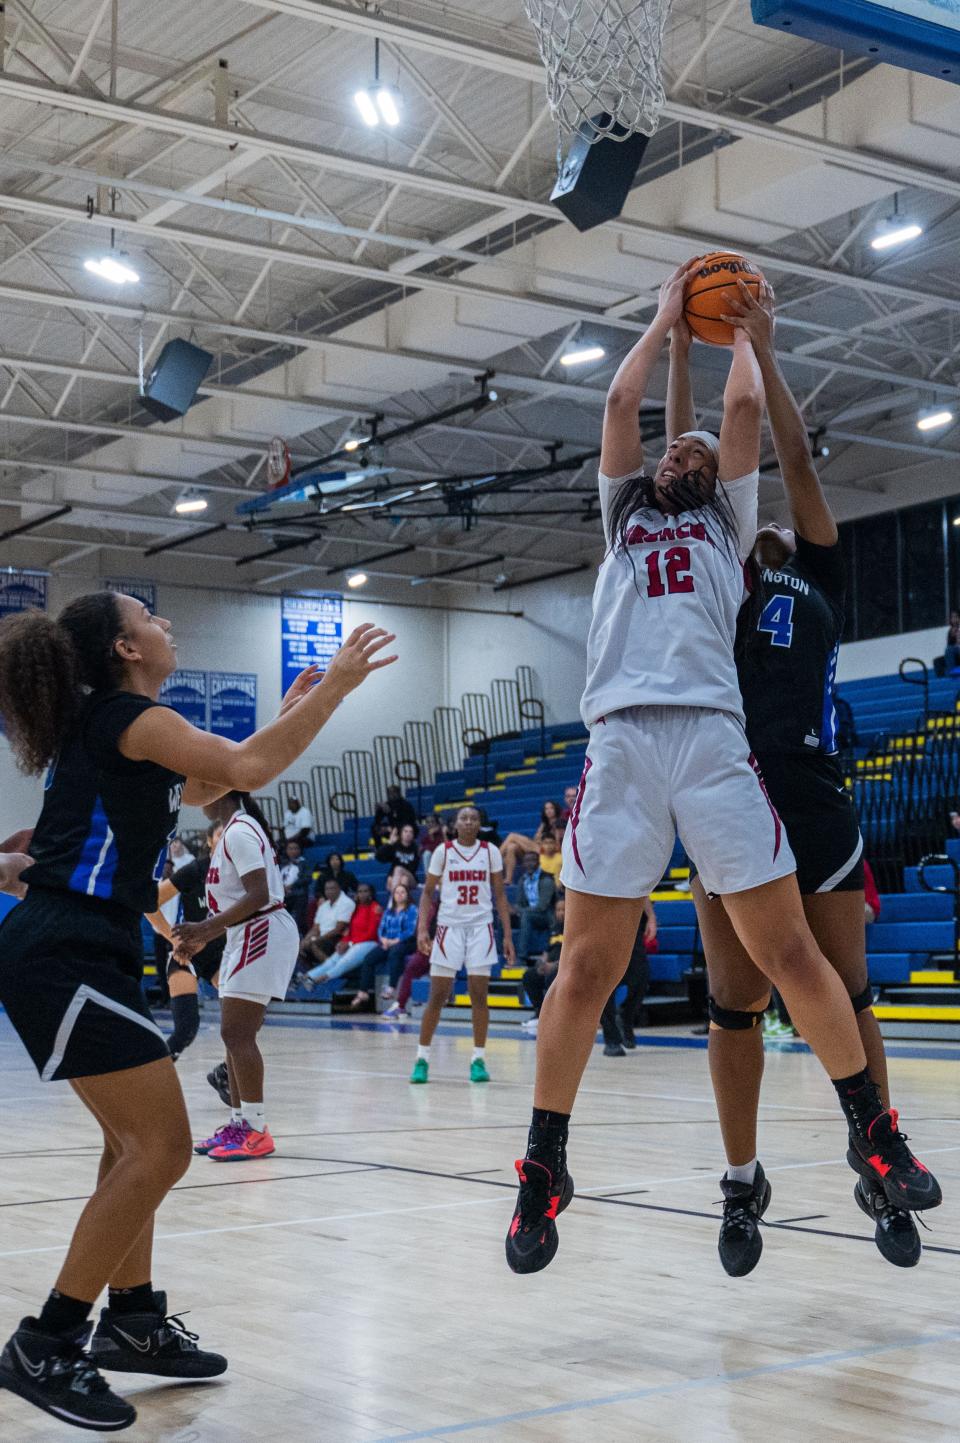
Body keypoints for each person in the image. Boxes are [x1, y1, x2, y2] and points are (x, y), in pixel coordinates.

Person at [504, 259, 940, 1278]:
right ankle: (543, 1164)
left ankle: (872, 1131)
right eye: (676, 448)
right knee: (585, 968)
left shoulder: (730, 528)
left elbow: (744, 411)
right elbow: (630, 402)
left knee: (801, 963)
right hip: (620, 739)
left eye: (699, 450)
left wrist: (746, 328)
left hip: (714, 741)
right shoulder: (626, 514)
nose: (688, 450)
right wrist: (667, 315)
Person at [0, 593, 394, 1429]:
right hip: (65, 949)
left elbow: (218, 778)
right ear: (125, 646)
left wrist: (295, 714)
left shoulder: (121, 725)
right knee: (165, 1146)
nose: (166, 624)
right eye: (151, 616)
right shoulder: (130, 717)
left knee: (129, 1146)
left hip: (87, 945)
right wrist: (336, 692)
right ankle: (47, 1341)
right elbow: (244, 772)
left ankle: (134, 1321)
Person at [675, 275, 932, 1273]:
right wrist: (698, 354)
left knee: (850, 995)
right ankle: (742, 1180)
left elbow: (786, 454)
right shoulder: (714, 556)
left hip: (816, 798)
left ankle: (875, 1152)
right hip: (728, 793)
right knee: (734, 1002)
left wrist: (763, 348)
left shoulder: (814, 571)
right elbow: (706, 454)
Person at [175, 793, 299, 1162]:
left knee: (236, 1033)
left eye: (198, 785)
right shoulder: (232, 830)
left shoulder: (240, 831)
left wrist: (204, 928)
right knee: (233, 1035)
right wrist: (205, 937)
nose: (192, 794)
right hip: (242, 933)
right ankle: (240, 1124)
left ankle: (257, 1129)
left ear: (220, 788)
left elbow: (258, 894)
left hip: (261, 930)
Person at [410, 805, 516, 1083]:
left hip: (481, 928)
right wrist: (422, 929)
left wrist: (507, 935)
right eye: (464, 818)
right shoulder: (443, 852)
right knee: (437, 995)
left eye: (473, 818)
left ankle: (478, 1060)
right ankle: (422, 1059)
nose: (468, 822)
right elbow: (427, 894)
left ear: (479, 824)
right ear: (455, 824)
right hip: (449, 928)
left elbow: (501, 896)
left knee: (479, 995)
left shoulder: (490, 851)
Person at [349, 880, 419, 1009]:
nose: (399, 895)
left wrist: (395, 941)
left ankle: (391, 987)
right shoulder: (388, 911)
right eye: (397, 892)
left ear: (408, 895)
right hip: (388, 942)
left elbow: (411, 930)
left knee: (395, 952)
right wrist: (384, 940)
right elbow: (381, 928)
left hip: (407, 942)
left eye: (402, 892)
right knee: (369, 959)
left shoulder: (412, 909)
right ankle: (363, 991)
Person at [599, 903, 656, 1056]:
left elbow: (640, 886)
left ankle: (626, 1018)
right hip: (602, 920)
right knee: (606, 983)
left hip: (632, 918)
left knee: (641, 978)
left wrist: (651, 916)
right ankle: (611, 1039)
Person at [301, 881, 382, 989]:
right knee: (333, 959)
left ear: (371, 893)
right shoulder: (357, 909)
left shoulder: (375, 908)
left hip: (369, 943)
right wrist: (343, 941)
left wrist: (349, 943)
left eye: (365, 891)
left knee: (344, 960)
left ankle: (317, 980)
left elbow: (371, 933)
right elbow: (351, 931)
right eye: (360, 891)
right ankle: (307, 976)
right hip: (353, 943)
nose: (362, 894)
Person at [297, 876, 355, 972]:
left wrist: (315, 940)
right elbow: (315, 928)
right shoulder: (323, 906)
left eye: (332, 888)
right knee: (299, 947)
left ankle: (333, 970)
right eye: (327, 889)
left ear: (339, 889)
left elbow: (338, 929)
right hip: (322, 937)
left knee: (314, 944)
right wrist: (305, 940)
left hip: (338, 937)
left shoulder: (347, 903)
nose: (329, 891)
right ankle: (313, 973)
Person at [500, 801, 563, 884]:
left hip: (549, 852)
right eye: (546, 808)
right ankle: (508, 879)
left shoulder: (560, 823)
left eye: (551, 808)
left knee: (512, 836)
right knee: (511, 847)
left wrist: (542, 841)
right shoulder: (544, 824)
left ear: (556, 809)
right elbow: (536, 839)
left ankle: (495, 858)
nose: (548, 810)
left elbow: (557, 845)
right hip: (538, 850)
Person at [514, 851, 557, 961]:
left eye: (532, 860)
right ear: (523, 864)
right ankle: (505, 955)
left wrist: (521, 911)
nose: (530, 864)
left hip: (547, 916)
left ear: (538, 862)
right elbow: (519, 903)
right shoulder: (523, 880)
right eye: (527, 861)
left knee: (526, 915)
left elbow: (542, 906)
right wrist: (516, 910)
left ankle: (521, 956)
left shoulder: (546, 879)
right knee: (502, 918)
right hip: (528, 914)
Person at [280, 837, 312, 932]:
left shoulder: (304, 863)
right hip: (284, 895)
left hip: (299, 895)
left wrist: (292, 886)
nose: (293, 851)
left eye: (295, 848)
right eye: (290, 848)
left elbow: (307, 878)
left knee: (300, 920)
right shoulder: (282, 864)